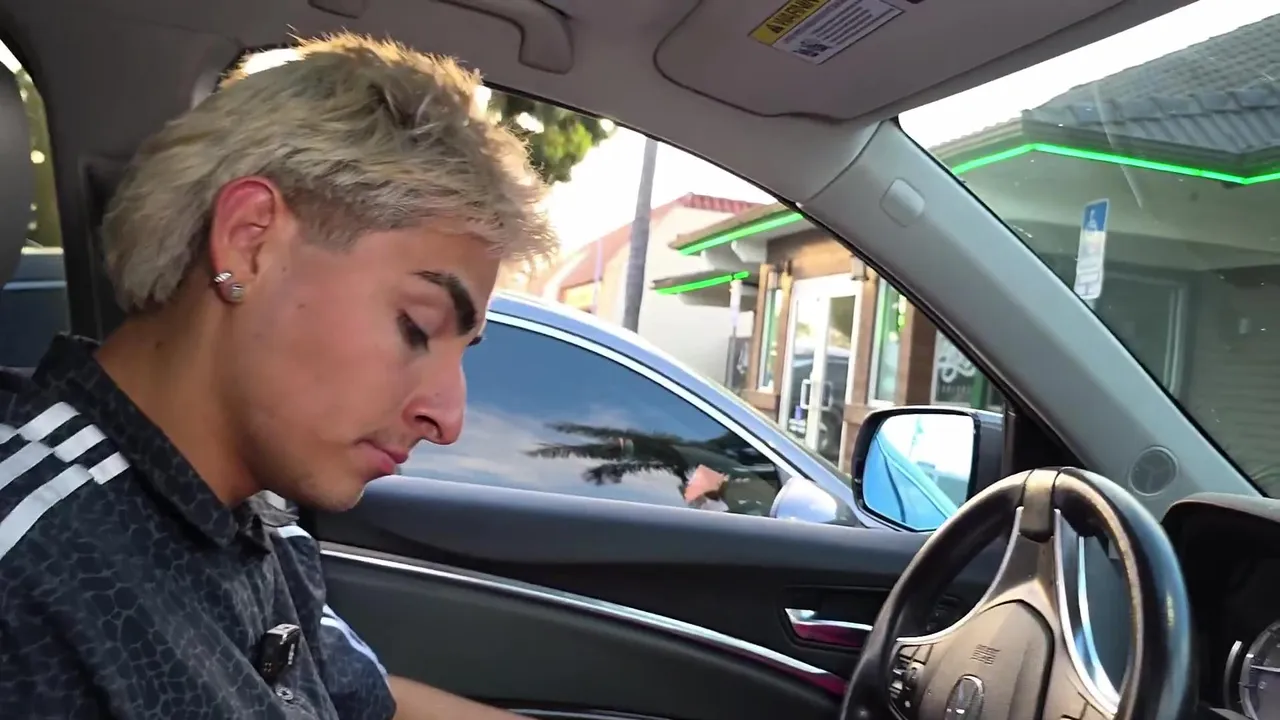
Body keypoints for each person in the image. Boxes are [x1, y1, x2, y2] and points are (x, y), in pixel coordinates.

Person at [0, 33, 552, 719]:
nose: (449, 418)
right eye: (417, 325)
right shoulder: (27, 569)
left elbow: (364, 700)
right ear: (250, 241)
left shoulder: (257, 514)